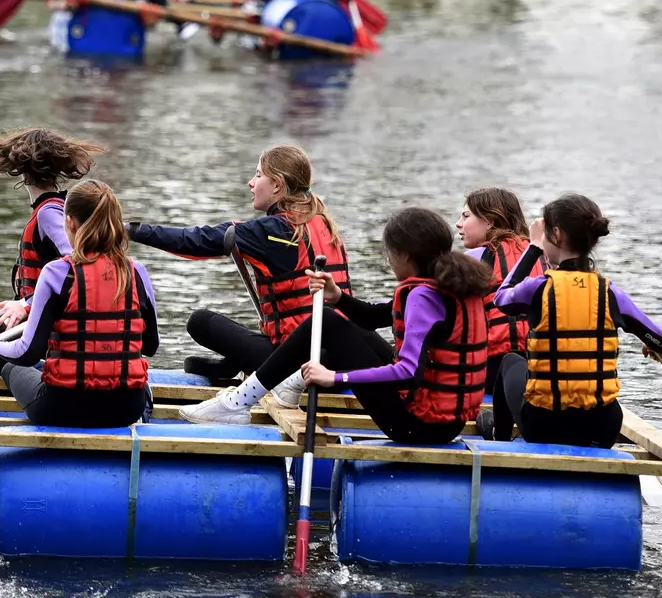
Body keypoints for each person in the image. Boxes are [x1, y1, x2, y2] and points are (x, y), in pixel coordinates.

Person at [178, 208, 490, 446]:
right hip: (443, 424)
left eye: (389, 254)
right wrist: (337, 296)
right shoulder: (446, 284)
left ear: (405, 255)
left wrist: (335, 377)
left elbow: (409, 371)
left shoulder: (423, 295)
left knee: (327, 320)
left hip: (417, 426)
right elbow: (372, 318)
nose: (389, 262)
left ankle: (238, 402)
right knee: (340, 320)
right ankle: (284, 386)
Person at [127, 144, 351, 381]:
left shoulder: (272, 231)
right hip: (342, 355)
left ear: (277, 185)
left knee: (200, 322)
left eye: (258, 175)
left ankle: (235, 363)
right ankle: (232, 363)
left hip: (301, 364)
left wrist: (131, 231)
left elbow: (194, 241)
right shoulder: (325, 225)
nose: (251, 183)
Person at [494, 194, 662, 449]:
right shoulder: (611, 293)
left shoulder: (538, 289)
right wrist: (652, 344)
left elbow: (501, 298)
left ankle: (498, 441)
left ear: (556, 235)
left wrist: (533, 248)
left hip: (544, 426)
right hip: (602, 428)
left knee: (510, 361)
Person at [0, 180, 159, 428]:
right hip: (126, 408)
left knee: (11, 368)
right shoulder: (137, 271)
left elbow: (27, 354)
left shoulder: (57, 272)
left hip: (62, 406)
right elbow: (150, 345)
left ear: (70, 222)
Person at [0, 128, 103, 375]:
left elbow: (80, 264)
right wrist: (17, 304)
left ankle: (5, 358)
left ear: (21, 170)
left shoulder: (48, 213)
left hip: (49, 331)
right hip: (39, 320)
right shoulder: (52, 207)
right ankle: (0, 350)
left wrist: (25, 304)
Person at [456, 187, 548, 441]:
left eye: (466, 216)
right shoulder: (545, 256)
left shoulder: (474, 258)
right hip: (541, 369)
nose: (458, 224)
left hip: (490, 371)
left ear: (489, 220)